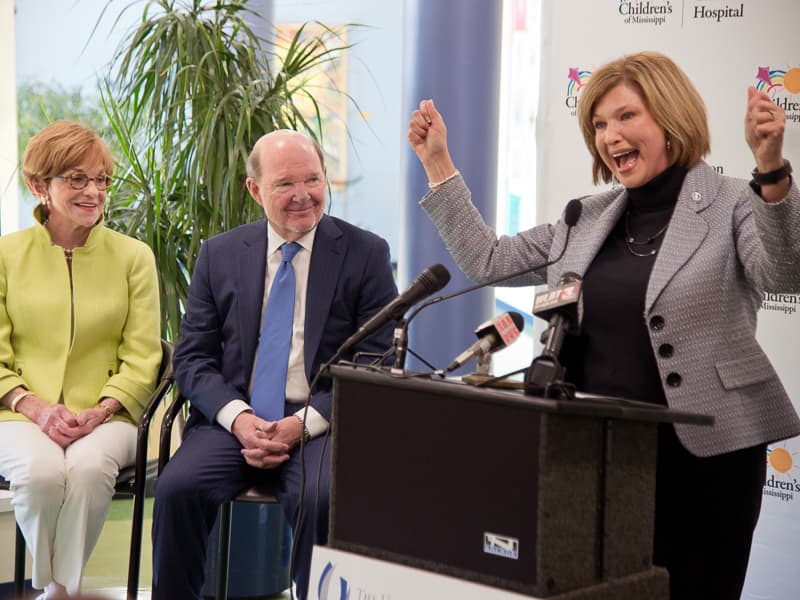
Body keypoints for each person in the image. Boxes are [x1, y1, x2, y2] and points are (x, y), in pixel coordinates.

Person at [407, 51, 800, 600]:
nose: (609, 136)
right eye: (598, 124)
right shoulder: (584, 219)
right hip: (598, 457)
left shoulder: (735, 201)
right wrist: (437, 163)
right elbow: (489, 260)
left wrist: (773, 171)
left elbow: (785, 273)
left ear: (671, 117)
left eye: (625, 117)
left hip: (705, 460)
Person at [151, 129, 398, 600]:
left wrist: (300, 424)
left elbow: (375, 361)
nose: (303, 195)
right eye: (285, 183)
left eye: (313, 179)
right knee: (176, 489)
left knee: (320, 500)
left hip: (319, 421)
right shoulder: (219, 254)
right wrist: (240, 419)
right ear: (255, 189)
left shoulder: (366, 254)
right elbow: (193, 358)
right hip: (232, 420)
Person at [0, 120, 162, 599]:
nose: (93, 191)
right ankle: (60, 587)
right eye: (76, 178)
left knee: (90, 470)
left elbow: (144, 354)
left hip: (110, 416)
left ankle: (56, 592)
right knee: (41, 474)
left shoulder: (135, 257)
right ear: (39, 185)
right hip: (17, 411)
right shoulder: (6, 255)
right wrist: (37, 407)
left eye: (101, 179)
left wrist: (99, 410)